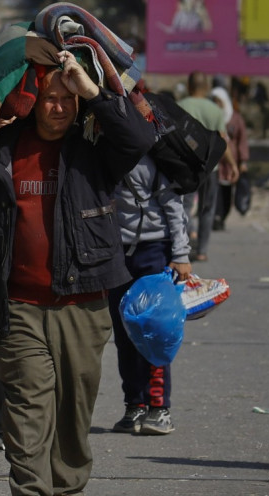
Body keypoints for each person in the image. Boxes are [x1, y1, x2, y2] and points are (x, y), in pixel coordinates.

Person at [0, 52, 156, 496]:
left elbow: (140, 136)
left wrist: (92, 90)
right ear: (32, 102)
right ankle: (29, 489)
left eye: (66, 99)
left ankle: (67, 481)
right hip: (19, 299)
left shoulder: (95, 148)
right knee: (26, 397)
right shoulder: (2, 149)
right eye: (49, 98)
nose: (58, 107)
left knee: (77, 398)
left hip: (85, 299)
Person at [108, 154, 193, 436]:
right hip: (116, 255)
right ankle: (134, 404)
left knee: (156, 332)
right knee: (124, 335)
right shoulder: (101, 153)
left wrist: (181, 255)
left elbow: (174, 209)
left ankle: (159, 408)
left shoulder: (153, 160)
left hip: (154, 253)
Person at [177, 72, 239, 262]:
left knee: (184, 207)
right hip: (209, 168)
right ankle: (202, 250)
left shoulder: (180, 107)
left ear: (188, 86)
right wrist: (231, 164)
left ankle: (186, 241)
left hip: (186, 165)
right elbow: (222, 140)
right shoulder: (215, 109)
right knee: (207, 208)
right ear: (205, 88)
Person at [210, 86, 249, 231]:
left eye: (218, 101)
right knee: (215, 190)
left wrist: (243, 161)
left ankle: (222, 215)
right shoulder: (213, 116)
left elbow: (242, 140)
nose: (216, 104)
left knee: (226, 192)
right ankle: (216, 216)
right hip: (215, 162)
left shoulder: (235, 119)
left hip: (230, 161)